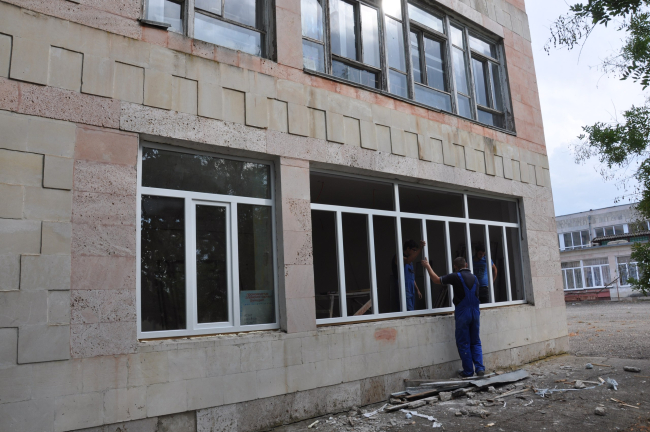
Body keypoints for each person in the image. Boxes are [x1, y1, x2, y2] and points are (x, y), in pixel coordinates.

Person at [422, 256, 485, 378]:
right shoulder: (475, 278)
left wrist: (427, 266)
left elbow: (436, 280)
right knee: (476, 341)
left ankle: (468, 372)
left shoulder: (455, 276)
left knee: (463, 342)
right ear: (466, 265)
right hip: (475, 312)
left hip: (463, 314)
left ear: (455, 267)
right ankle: (480, 368)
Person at [392, 239, 425, 311]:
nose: (415, 252)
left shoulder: (410, 262)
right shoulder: (399, 257)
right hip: (403, 288)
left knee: (412, 310)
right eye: (414, 250)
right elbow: (407, 260)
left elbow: (411, 277)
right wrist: (420, 249)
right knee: (408, 310)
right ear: (408, 249)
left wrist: (417, 290)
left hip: (411, 289)